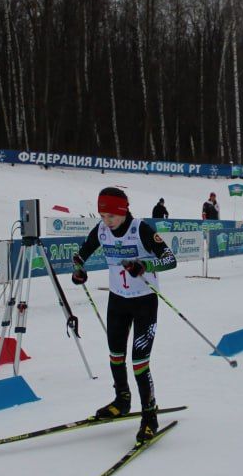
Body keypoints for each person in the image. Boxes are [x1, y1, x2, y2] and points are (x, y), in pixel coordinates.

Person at [71, 187, 178, 442]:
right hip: (117, 301)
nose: (107, 222)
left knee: (139, 361)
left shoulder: (140, 229)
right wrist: (78, 271)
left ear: (123, 211)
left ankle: (150, 416)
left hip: (144, 303)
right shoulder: (101, 230)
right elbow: (81, 254)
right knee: (116, 355)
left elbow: (170, 259)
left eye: (112, 216)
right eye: (103, 215)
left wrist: (145, 265)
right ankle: (122, 400)